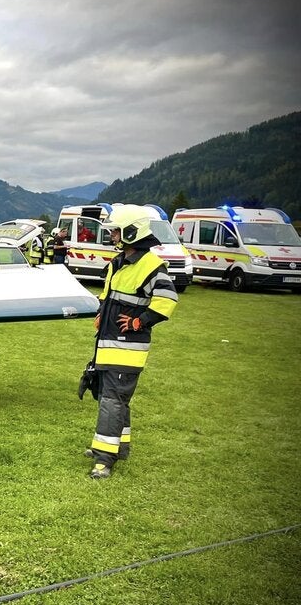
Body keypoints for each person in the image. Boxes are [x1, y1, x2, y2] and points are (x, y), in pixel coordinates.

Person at [85, 205, 178, 479]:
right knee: (112, 397)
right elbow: (108, 294)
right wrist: (102, 313)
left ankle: (104, 459)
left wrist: (139, 322)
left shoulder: (150, 265)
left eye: (115, 231)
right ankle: (119, 447)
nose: (112, 236)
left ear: (130, 232)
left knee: (112, 401)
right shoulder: (119, 262)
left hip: (128, 349)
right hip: (109, 343)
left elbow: (167, 299)